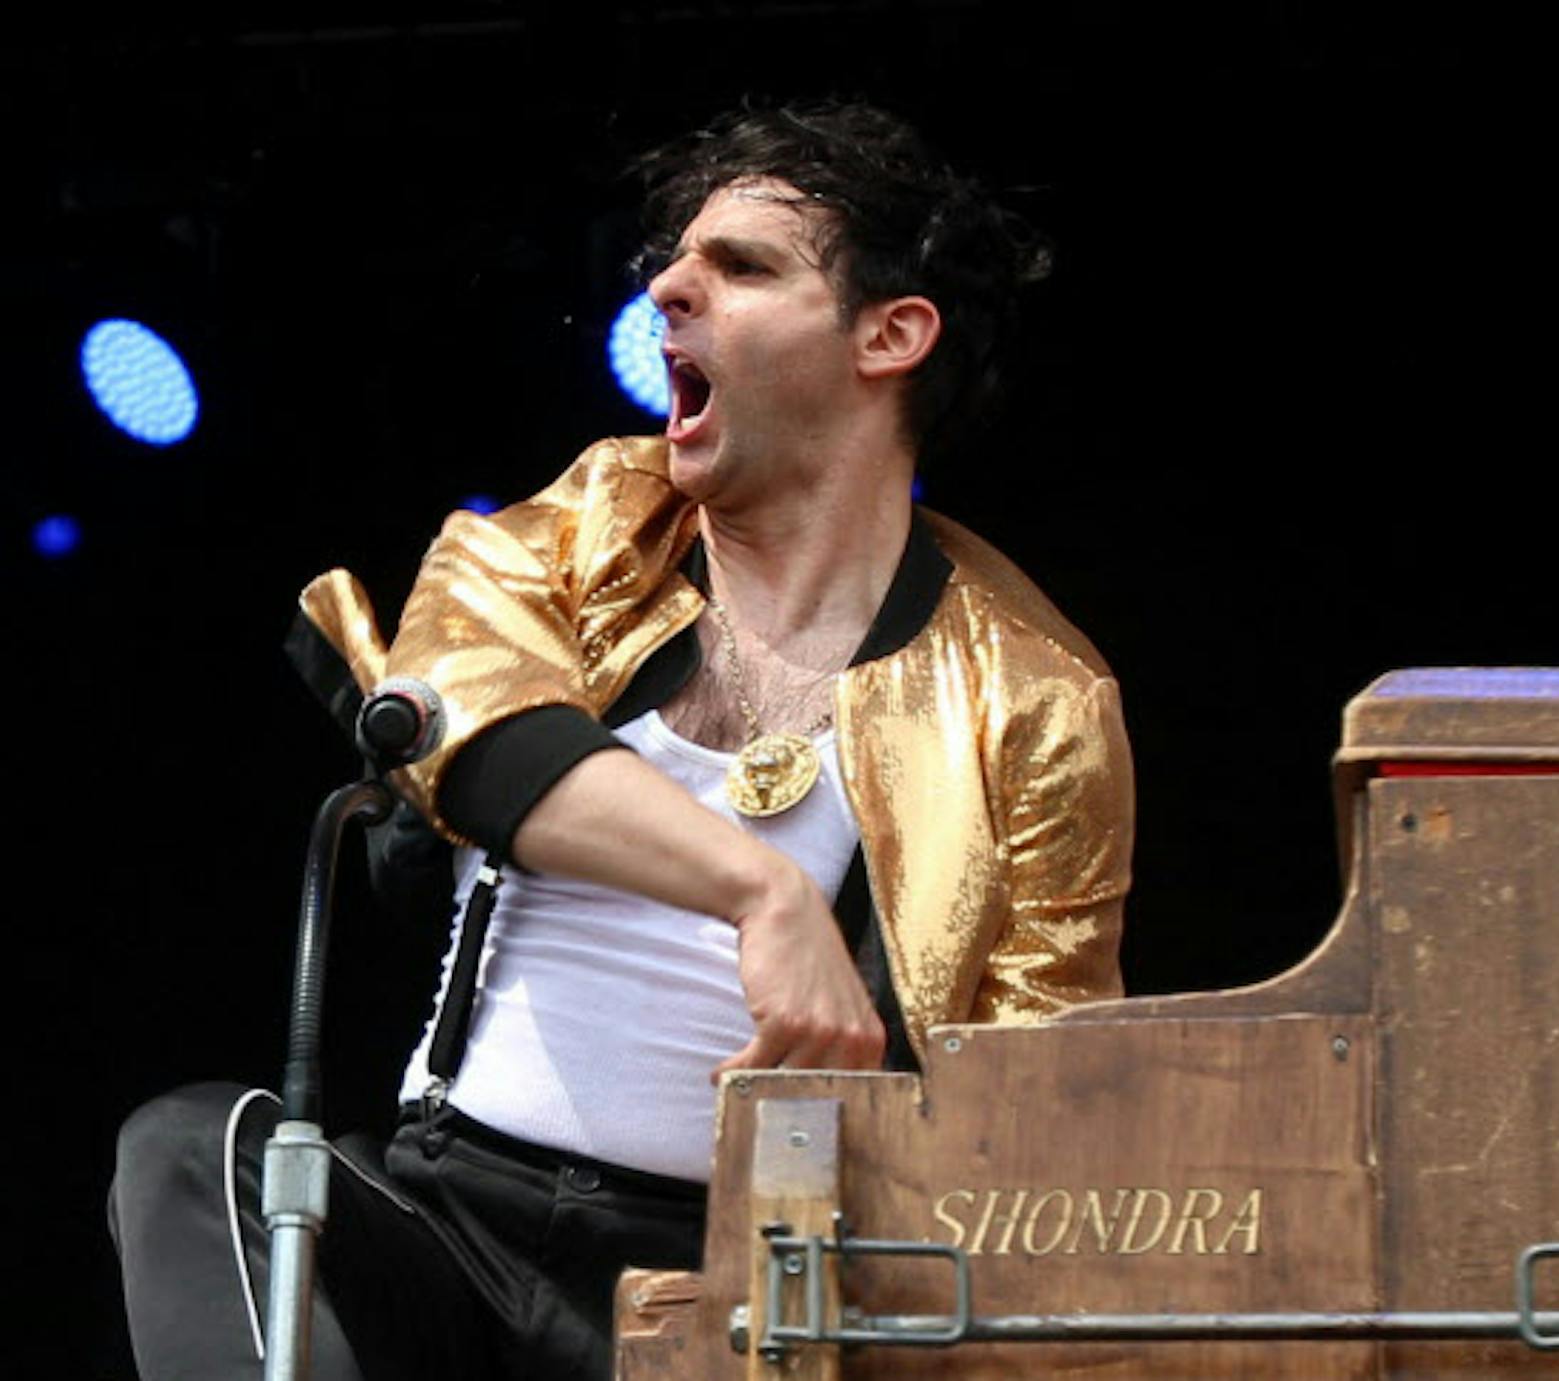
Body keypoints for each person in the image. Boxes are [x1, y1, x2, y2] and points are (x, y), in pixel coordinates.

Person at [110, 99, 1135, 1381]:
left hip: (752, 1297)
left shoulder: (1037, 697)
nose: (668, 288)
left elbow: (1042, 1111)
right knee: (192, 1148)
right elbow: (472, 736)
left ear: (892, 334)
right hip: (452, 1225)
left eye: (742, 266)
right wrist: (763, 892)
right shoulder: (580, 524)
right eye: (676, 259)